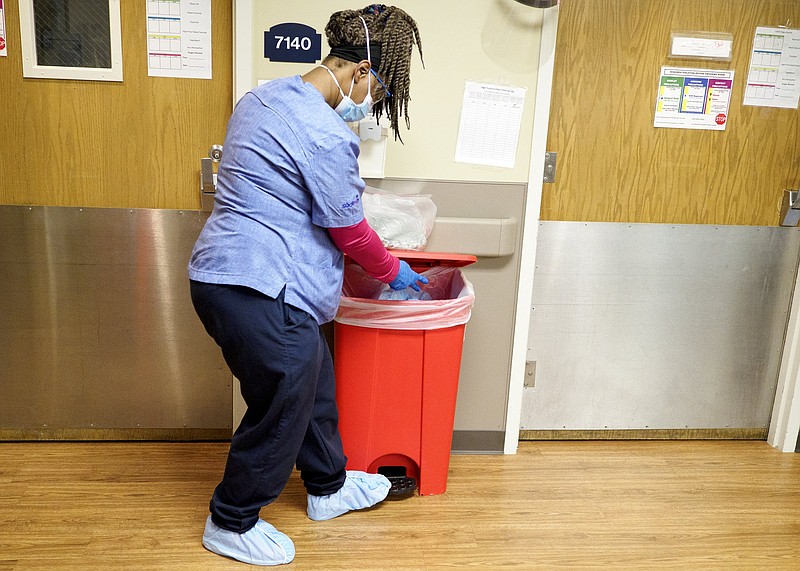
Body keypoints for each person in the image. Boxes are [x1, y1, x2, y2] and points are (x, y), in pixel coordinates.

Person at [187, 4, 425, 567]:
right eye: (380, 87)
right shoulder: (324, 134)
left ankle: (328, 487)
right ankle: (232, 519)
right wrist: (395, 272)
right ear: (361, 72)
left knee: (312, 386)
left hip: (222, 277)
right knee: (284, 404)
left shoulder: (261, 98)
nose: (373, 103)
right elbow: (350, 231)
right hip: (263, 286)